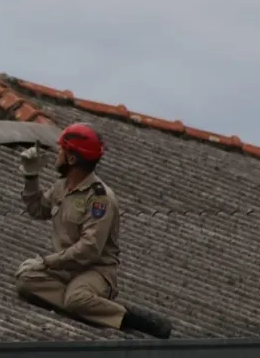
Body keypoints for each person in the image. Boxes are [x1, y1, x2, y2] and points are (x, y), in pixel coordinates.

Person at [14, 122, 173, 339]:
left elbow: (89, 249)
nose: (57, 154)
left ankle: (126, 317)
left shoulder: (100, 198)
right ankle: (95, 310)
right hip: (66, 268)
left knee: (76, 299)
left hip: (95, 271)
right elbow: (37, 210)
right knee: (26, 281)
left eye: (61, 150)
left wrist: (46, 262)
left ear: (71, 159)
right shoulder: (62, 186)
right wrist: (30, 177)